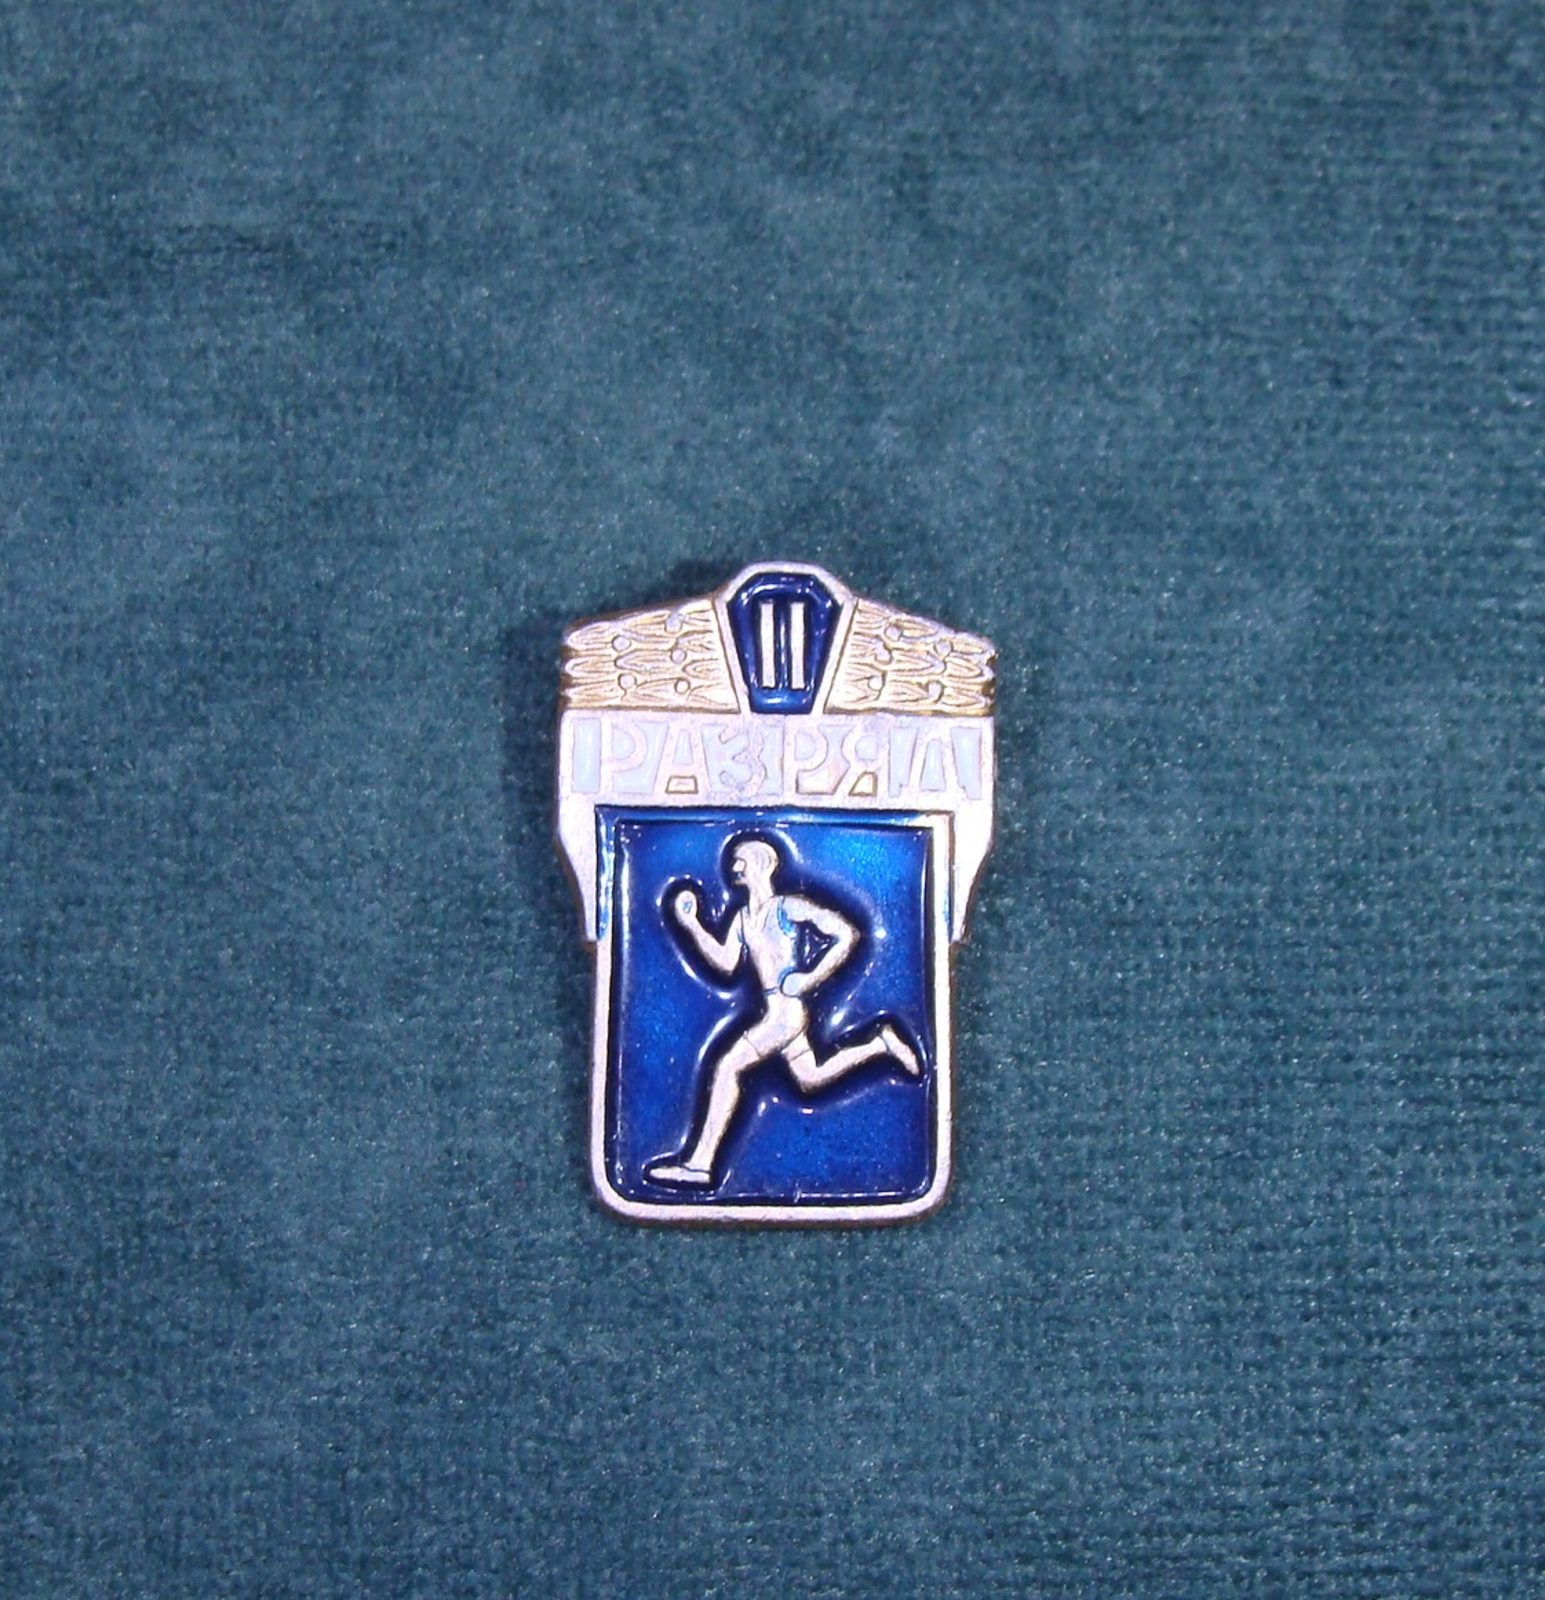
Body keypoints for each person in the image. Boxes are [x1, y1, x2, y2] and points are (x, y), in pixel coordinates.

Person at [646, 836, 921, 1186]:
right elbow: (726, 964)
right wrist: (692, 925)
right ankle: (879, 1044)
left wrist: (809, 978)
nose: (734, 867)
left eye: (742, 860)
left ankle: (700, 1165)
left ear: (762, 865)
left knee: (728, 1066)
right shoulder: (743, 919)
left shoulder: (786, 907)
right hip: (777, 1012)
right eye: (734, 861)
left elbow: (846, 934)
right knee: (810, 1077)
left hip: (786, 1014)